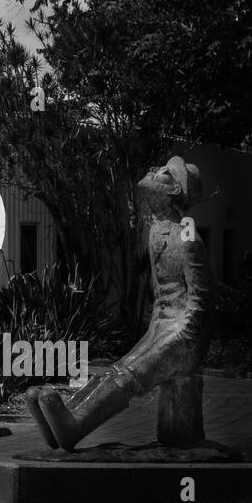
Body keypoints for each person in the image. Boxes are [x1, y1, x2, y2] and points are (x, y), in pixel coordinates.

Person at [26, 156, 211, 451]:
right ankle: (63, 422)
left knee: (128, 375)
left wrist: (181, 336)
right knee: (117, 368)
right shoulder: (158, 231)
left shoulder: (187, 239)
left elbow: (201, 300)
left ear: (174, 191)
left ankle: (73, 427)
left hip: (183, 336)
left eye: (162, 173)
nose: (152, 170)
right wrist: (156, 330)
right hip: (162, 327)